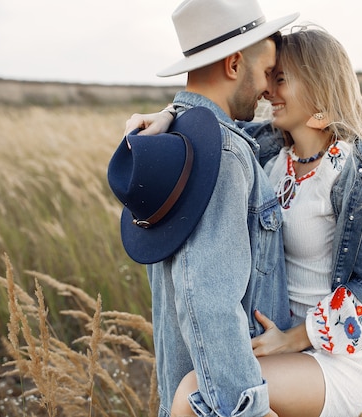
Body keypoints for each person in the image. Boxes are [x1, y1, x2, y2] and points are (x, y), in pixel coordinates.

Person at [128, 25, 362, 417]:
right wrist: (168, 115)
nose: (268, 92)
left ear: (320, 98)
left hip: (330, 362)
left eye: (281, 80)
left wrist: (295, 339)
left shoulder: (355, 171)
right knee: (208, 387)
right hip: (274, 348)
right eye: (269, 78)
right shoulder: (270, 154)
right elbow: (214, 126)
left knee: (196, 390)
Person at [108, 1, 299, 417]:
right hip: (224, 401)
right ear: (233, 64)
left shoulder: (172, 139)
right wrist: (248, 408)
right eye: (267, 72)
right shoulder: (224, 155)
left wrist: (173, 111)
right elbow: (209, 302)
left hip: (189, 397)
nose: (270, 89)